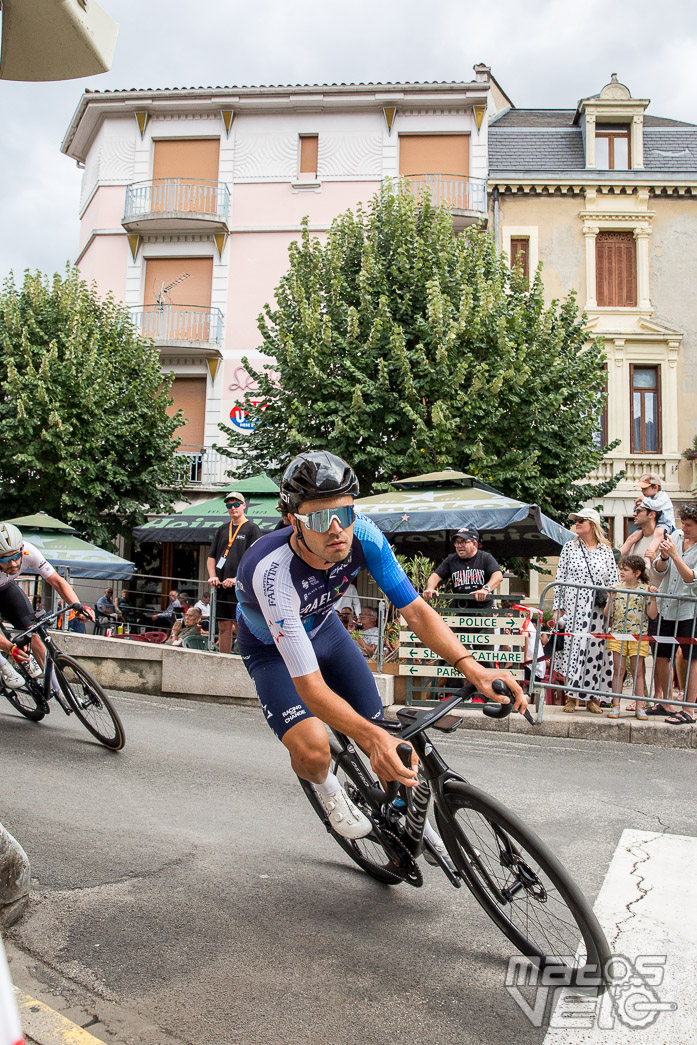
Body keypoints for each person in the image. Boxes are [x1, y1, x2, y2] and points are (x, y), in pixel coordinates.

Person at [235, 451, 526, 849]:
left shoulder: (365, 535)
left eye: (346, 513)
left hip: (324, 628)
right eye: (321, 519)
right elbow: (310, 688)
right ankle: (328, 789)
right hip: (271, 651)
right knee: (316, 749)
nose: (338, 529)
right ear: (293, 522)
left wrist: (472, 668)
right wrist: (369, 740)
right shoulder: (273, 572)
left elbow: (417, 611)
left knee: (382, 728)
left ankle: (403, 810)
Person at [0, 522, 94, 681]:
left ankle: (55, 687)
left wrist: (78, 607)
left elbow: (57, 581)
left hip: (5, 589)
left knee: (34, 633)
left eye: (16, 556)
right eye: (6, 559)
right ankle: (4, 666)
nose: (14, 563)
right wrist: (10, 649)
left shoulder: (29, 551)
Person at [551, 507, 619, 713]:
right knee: (573, 650)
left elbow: (613, 582)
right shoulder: (569, 548)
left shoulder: (606, 551)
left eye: (581, 520)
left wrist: (612, 607)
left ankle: (592, 698)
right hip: (573, 607)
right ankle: (571, 697)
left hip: (597, 610)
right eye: (576, 520)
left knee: (595, 652)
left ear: (592, 524)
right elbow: (560, 579)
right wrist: (557, 610)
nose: (577, 523)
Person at [652, 504, 697, 725]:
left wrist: (675, 555)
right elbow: (659, 570)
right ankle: (666, 702)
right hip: (666, 604)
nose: (683, 528)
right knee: (661, 654)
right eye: (682, 524)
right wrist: (663, 558)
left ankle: (689, 708)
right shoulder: (676, 536)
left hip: (690, 610)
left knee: (690, 658)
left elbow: (691, 578)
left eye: (688, 525)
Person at [207, 492, 262, 655]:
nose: (233, 508)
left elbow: (255, 560)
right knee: (223, 626)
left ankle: (244, 660)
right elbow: (211, 557)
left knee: (241, 626)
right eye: (229, 506)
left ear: (244, 505)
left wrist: (236, 578)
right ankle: (224, 659)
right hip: (221, 586)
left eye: (236, 504)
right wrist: (212, 576)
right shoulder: (223, 529)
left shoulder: (252, 528)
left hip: (241, 586)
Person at [605, 556, 658, 721]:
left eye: (625, 569)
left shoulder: (644, 590)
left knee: (638, 672)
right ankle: (615, 705)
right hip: (618, 635)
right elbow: (608, 614)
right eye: (621, 568)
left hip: (638, 636)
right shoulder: (617, 588)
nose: (621, 572)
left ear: (637, 573)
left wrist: (653, 598)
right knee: (618, 671)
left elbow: (652, 615)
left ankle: (640, 706)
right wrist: (611, 598)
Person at [423, 528, 503, 613]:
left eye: (464, 542)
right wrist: (430, 588)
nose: (459, 546)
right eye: (457, 542)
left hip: (482, 610)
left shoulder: (485, 558)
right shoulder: (451, 559)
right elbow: (435, 576)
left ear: (474, 544)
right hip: (459, 609)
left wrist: (485, 589)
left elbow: (498, 576)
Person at [623, 473, 676, 564]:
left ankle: (649, 555)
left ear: (655, 487)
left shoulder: (662, 496)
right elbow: (640, 507)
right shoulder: (648, 498)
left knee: (658, 533)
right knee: (633, 536)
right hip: (657, 524)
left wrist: (643, 500)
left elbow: (656, 506)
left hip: (665, 523)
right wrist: (638, 503)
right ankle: (614, 555)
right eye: (642, 489)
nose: (642, 491)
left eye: (645, 488)